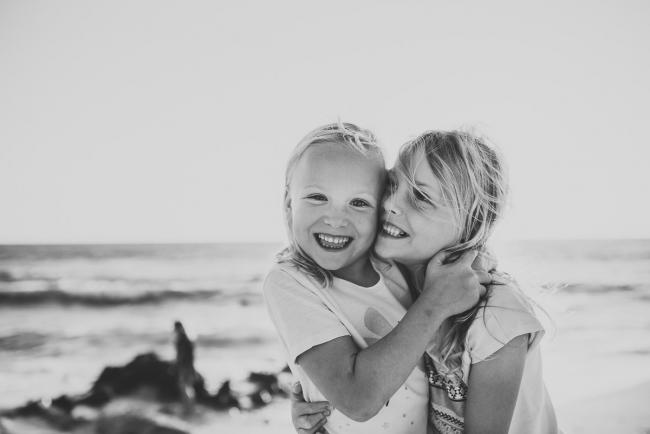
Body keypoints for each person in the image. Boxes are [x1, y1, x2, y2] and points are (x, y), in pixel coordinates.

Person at [291, 130, 559, 433]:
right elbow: (370, 375)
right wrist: (322, 405)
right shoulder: (396, 286)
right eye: (392, 185)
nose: (390, 203)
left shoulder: (496, 320)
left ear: (471, 223)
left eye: (420, 197)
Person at [263, 122, 491, 434]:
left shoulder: (390, 262)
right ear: (290, 203)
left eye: (359, 202)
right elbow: (358, 400)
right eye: (317, 197)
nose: (335, 218)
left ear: (380, 208)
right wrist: (434, 304)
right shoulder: (290, 282)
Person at [173, 320, 196, 415]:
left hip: (184, 366)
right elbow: (191, 355)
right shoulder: (187, 338)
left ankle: (187, 408)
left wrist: (177, 365)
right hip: (188, 366)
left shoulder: (181, 339)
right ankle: (190, 407)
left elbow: (181, 355)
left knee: (183, 387)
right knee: (188, 387)